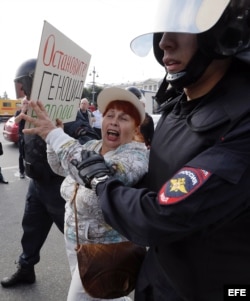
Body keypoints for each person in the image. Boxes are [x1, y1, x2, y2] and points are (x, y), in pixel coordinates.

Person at [28, 1, 250, 300]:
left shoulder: (240, 121)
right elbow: (68, 167)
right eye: (109, 114)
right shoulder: (179, 109)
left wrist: (98, 177)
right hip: (156, 275)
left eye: (181, 29)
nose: (164, 42)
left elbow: (161, 214)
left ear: (224, 33)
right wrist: (54, 137)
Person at [20, 87, 148, 301]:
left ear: (135, 127)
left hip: (105, 249)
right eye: (109, 115)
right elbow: (61, 168)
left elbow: (96, 173)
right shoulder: (93, 144)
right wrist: (54, 141)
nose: (114, 122)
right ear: (101, 121)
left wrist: (54, 134)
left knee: (81, 297)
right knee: (101, 294)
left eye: (124, 118)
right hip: (75, 240)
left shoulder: (135, 156)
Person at [1, 58, 66, 288]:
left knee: (76, 237)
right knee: (31, 229)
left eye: (20, 85)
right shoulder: (28, 108)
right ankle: (26, 268)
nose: (19, 92)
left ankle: (96, 279)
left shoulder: (59, 109)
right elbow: (24, 143)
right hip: (37, 183)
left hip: (59, 186)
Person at [15, 97, 29, 178]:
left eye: (27, 103)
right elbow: (16, 121)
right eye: (24, 103)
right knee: (21, 155)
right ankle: (21, 171)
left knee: (29, 154)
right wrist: (23, 112)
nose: (25, 105)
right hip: (22, 135)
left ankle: (28, 170)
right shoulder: (19, 112)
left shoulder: (31, 112)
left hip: (30, 136)